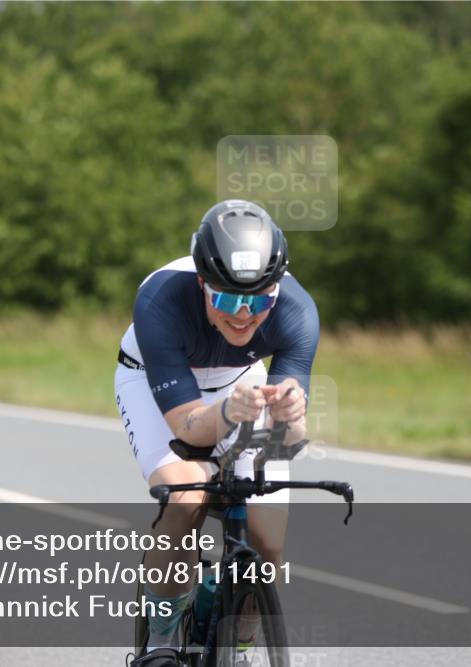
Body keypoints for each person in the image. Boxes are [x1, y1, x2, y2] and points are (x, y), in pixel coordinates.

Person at [115, 199, 319, 666]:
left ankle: (240, 644)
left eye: (260, 299)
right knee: (187, 495)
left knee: (267, 542)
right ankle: (162, 637)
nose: (244, 315)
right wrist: (227, 414)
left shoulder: (298, 312)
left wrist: (292, 414)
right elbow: (189, 428)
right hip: (157, 383)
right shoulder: (159, 301)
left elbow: (290, 439)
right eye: (228, 299)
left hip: (239, 382)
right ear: (203, 284)